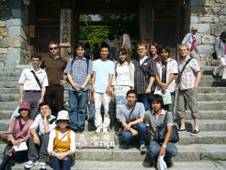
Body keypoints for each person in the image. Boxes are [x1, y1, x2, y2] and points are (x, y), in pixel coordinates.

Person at [64, 43, 92, 133]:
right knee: (72, 108)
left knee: (81, 109)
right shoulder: (71, 60)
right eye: (78, 49)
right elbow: (68, 73)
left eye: (82, 50)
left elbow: (89, 74)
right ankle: (73, 126)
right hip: (72, 89)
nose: (80, 51)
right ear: (76, 51)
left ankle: (80, 127)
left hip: (84, 89)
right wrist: (73, 84)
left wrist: (83, 85)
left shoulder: (88, 61)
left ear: (84, 51)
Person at [143, 94, 178, 168]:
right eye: (153, 103)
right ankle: (154, 158)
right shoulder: (147, 114)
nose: (155, 105)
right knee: (153, 150)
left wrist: (164, 146)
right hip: (154, 140)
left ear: (161, 104)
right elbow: (148, 129)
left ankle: (167, 158)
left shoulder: (168, 114)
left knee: (173, 151)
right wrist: (149, 142)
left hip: (166, 140)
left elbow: (169, 131)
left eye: (157, 103)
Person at [0, 102, 33, 170]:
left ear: (28, 111)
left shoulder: (31, 121)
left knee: (8, 153)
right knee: (8, 153)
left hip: (23, 146)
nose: (23, 111)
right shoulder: (15, 119)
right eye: (22, 110)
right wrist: (13, 140)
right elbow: (10, 131)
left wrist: (21, 140)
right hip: (12, 142)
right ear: (19, 111)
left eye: (25, 110)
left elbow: (29, 135)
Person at [176, 44, 201, 134]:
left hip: (190, 87)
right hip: (181, 88)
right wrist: (177, 83)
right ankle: (182, 125)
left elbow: (198, 73)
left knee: (193, 107)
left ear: (188, 51)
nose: (182, 52)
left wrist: (196, 85)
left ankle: (196, 126)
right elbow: (179, 75)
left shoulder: (193, 61)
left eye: (184, 50)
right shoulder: (179, 62)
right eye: (181, 50)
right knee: (180, 107)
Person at [24, 103, 56, 170]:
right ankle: (32, 159)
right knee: (32, 134)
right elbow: (32, 128)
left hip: (50, 142)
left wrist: (45, 118)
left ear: (50, 110)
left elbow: (47, 131)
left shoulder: (54, 119)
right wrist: (35, 135)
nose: (44, 110)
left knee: (46, 135)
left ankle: (42, 160)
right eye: (42, 109)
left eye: (46, 108)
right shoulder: (39, 116)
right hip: (40, 140)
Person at [91, 44, 115, 133]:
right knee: (97, 109)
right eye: (102, 51)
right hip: (97, 89)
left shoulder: (111, 63)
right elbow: (93, 76)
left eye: (106, 51)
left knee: (106, 109)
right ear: (100, 52)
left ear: (108, 52)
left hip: (106, 90)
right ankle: (98, 126)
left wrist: (109, 87)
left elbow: (111, 76)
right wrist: (92, 87)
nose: (104, 53)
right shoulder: (95, 62)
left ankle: (105, 126)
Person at [41, 41, 67, 116]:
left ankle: (58, 124)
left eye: (55, 48)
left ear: (58, 49)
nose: (53, 50)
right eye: (51, 48)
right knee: (47, 107)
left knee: (59, 107)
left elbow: (69, 71)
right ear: (49, 50)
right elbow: (39, 71)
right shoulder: (45, 59)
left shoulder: (63, 60)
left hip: (59, 86)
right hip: (48, 86)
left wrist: (66, 80)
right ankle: (48, 124)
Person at [117, 89, 147, 154]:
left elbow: (142, 119)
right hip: (127, 129)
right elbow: (123, 123)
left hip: (137, 127)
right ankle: (133, 141)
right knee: (126, 136)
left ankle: (142, 144)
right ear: (126, 98)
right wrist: (131, 130)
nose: (130, 99)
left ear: (136, 98)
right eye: (129, 97)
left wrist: (131, 123)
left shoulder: (140, 105)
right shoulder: (121, 108)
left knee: (142, 126)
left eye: (133, 97)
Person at [133, 42, 157, 111]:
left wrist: (149, 87)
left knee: (146, 107)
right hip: (136, 89)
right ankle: (139, 121)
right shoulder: (134, 61)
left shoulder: (150, 61)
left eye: (142, 49)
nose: (141, 50)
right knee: (137, 108)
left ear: (146, 50)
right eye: (139, 49)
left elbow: (153, 75)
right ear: (137, 51)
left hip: (146, 89)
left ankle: (146, 121)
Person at [115, 48, 134, 112]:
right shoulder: (116, 65)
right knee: (119, 105)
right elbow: (115, 77)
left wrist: (132, 88)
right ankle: (120, 120)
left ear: (126, 55)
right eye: (120, 55)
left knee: (127, 104)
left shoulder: (130, 65)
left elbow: (132, 77)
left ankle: (127, 120)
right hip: (118, 87)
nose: (121, 56)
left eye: (123, 54)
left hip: (127, 87)